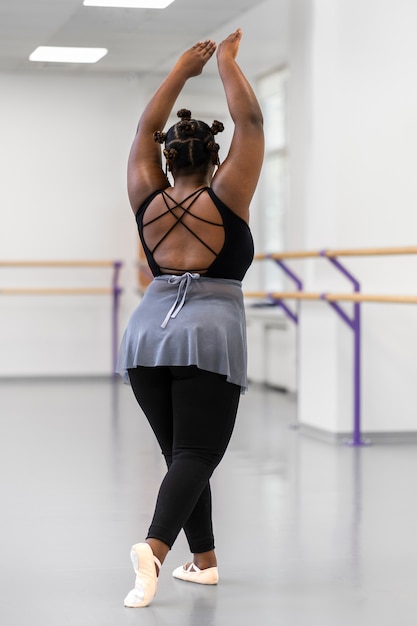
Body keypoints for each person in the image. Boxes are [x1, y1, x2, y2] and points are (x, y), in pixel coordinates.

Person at [116, 28, 264, 608]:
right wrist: (226, 62)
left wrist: (181, 70)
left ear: (167, 156)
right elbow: (249, 123)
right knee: (198, 455)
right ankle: (153, 550)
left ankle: (203, 563)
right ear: (216, 156)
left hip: (146, 338)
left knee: (182, 454)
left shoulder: (147, 195)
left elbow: (141, 132)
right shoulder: (227, 195)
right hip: (207, 336)